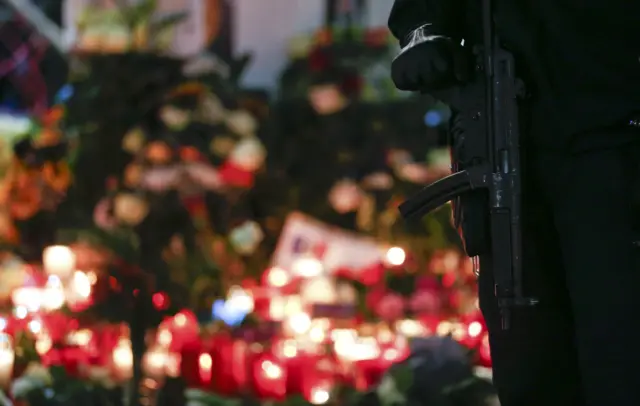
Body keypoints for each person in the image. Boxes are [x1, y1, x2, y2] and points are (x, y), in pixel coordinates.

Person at [388, 1, 640, 405]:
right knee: (527, 356)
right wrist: (423, 33)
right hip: (507, 146)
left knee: (621, 349)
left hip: (614, 141)